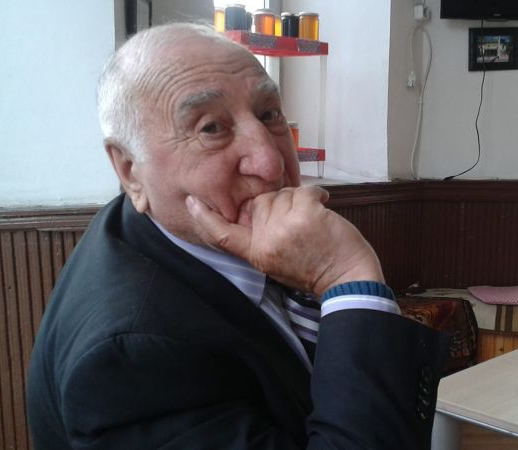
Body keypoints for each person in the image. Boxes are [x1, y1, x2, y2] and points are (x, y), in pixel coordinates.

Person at [26, 23, 449, 450]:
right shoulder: (129, 359)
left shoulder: (172, 226)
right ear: (130, 171)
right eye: (211, 128)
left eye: (269, 114)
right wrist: (349, 280)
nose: (270, 163)